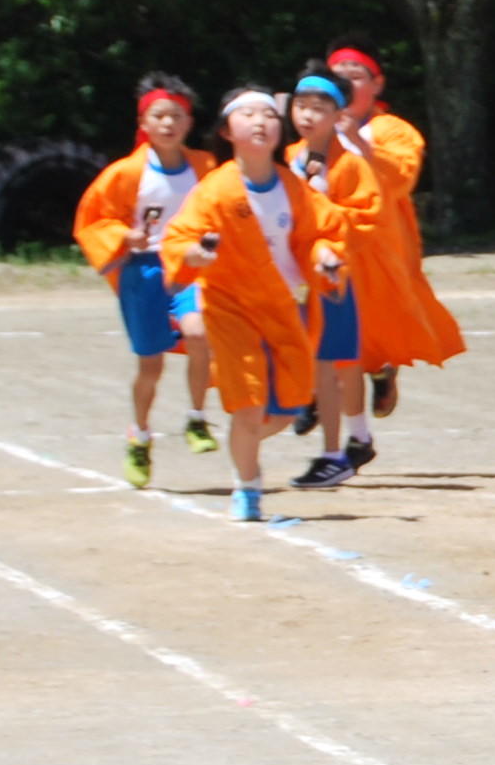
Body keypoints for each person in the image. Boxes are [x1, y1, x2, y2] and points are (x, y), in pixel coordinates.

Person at [161, 88, 349, 525]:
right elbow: (181, 237)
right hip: (231, 306)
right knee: (247, 401)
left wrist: (325, 256)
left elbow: (319, 233)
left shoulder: (292, 187)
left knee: (287, 406)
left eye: (267, 114)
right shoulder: (215, 190)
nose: (260, 121)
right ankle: (247, 486)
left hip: (284, 305)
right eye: (247, 114)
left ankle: (243, 445)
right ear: (227, 131)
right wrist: (195, 255)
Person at [69, 73, 216, 488]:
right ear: (143, 123)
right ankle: (140, 434)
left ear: (189, 123)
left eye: (177, 116)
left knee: (199, 333)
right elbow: (93, 219)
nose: (169, 123)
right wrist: (123, 237)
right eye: (160, 116)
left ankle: (197, 417)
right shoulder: (125, 173)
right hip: (145, 271)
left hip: (189, 266)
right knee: (151, 365)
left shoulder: (206, 167)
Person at [325, 46, 465, 442]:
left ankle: (380, 368)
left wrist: (360, 142)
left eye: (355, 76)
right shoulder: (315, 124)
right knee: (328, 309)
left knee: (379, 311)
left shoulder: (393, 130)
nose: (345, 84)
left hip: (383, 238)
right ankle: (315, 395)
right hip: (331, 235)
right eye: (337, 76)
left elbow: (403, 177)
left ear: (376, 84)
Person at [283, 69, 387, 489]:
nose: (308, 116)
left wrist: (320, 205)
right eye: (301, 106)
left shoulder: (350, 164)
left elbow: (369, 218)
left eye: (319, 108)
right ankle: (356, 439)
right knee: (327, 363)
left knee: (335, 361)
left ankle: (337, 452)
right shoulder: (289, 156)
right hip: (299, 277)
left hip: (333, 275)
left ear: (338, 115)